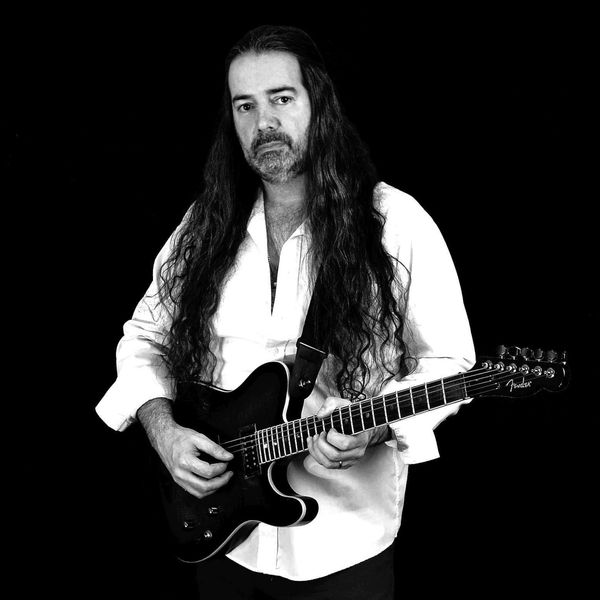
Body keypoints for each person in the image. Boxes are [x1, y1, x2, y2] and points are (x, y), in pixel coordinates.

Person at [96, 24, 475, 600]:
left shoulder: (394, 223)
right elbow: (146, 335)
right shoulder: (206, 224)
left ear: (318, 103)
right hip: (224, 538)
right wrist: (165, 432)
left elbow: (448, 360)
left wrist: (377, 427)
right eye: (244, 105)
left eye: (281, 98)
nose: (263, 123)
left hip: (343, 547)